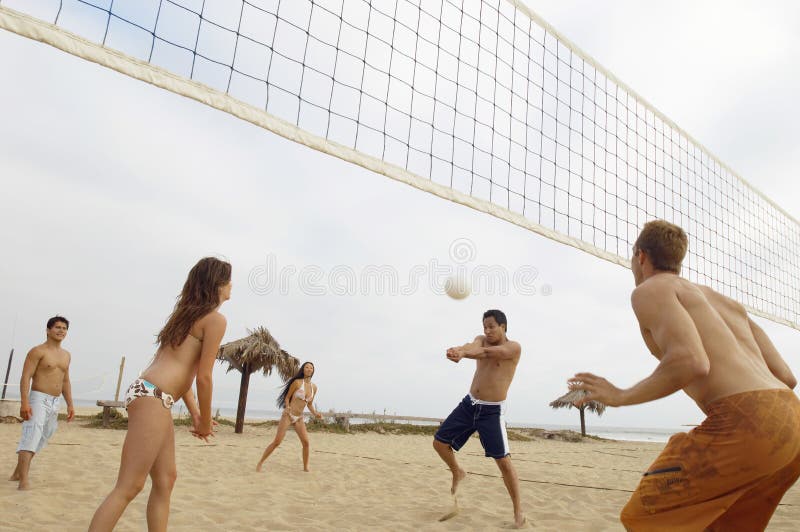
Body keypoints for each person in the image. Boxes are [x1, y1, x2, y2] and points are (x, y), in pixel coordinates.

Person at [568, 220, 800, 531]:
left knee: (644, 515)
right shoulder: (727, 304)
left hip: (746, 420)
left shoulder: (650, 289)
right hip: (792, 421)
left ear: (640, 256)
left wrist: (621, 396)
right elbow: (786, 377)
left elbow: (691, 361)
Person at [89, 257, 231, 532]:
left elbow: (185, 376)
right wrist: (203, 423)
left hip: (153, 394)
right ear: (219, 284)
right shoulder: (215, 320)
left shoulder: (185, 316)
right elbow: (203, 377)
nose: (231, 286)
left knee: (166, 479)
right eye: (228, 280)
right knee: (129, 485)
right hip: (153, 397)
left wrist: (195, 413)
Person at [433, 309, 525, 528]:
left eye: (492, 326)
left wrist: (465, 354)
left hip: (492, 412)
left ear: (503, 327)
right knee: (439, 443)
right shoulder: (481, 340)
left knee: (503, 461)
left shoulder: (513, 347)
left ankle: (518, 511)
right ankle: (458, 471)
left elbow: (487, 353)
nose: (487, 330)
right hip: (469, 404)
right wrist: (458, 350)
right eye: (485, 327)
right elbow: (473, 347)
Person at [8, 315, 75, 490]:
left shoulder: (66, 355)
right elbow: (25, 377)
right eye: (57, 327)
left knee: (43, 436)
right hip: (38, 398)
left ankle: (17, 472)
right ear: (48, 330)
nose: (61, 331)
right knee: (30, 436)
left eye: (64, 328)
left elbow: (65, 381)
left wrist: (70, 404)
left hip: (55, 401)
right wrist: (25, 403)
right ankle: (23, 481)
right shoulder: (37, 351)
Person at [256, 361, 323, 472]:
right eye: (307, 367)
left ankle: (305, 467)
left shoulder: (314, 388)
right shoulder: (297, 383)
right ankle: (260, 463)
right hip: (288, 415)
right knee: (277, 442)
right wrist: (287, 407)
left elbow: (309, 404)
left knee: (306, 443)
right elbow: (287, 398)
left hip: (299, 418)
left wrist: (315, 413)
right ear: (303, 369)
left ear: (313, 371)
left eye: (311, 368)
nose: (309, 369)